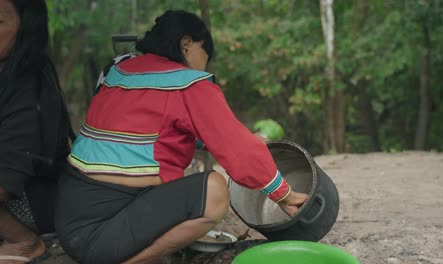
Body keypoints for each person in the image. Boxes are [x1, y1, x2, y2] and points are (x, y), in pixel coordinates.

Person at [55, 10, 308, 264]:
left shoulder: (120, 70)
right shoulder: (188, 84)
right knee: (214, 190)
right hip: (101, 236)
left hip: (70, 220)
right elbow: (241, 155)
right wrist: (284, 194)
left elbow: (158, 137)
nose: (204, 65)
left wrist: (224, 141)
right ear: (187, 44)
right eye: (204, 55)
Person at [0, 0, 72, 263]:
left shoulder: (27, 84)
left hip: (34, 200)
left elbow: (5, 183)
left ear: (27, 28)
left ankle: (23, 242)